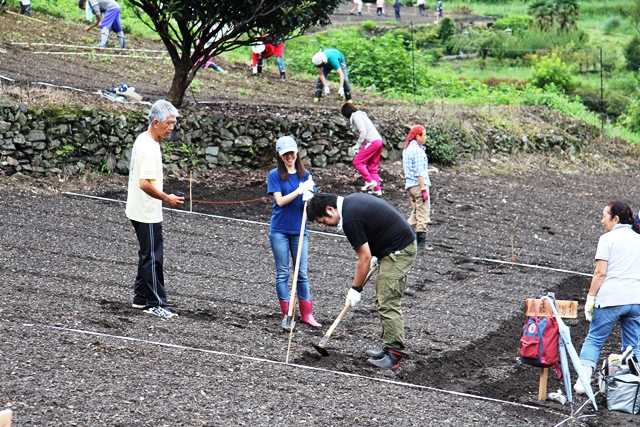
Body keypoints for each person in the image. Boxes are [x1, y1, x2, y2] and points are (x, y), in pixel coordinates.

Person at [307, 192, 417, 369]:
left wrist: (355, 289)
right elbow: (374, 228)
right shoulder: (351, 203)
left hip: (399, 250)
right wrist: (377, 252)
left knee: (387, 301)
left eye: (323, 221)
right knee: (383, 299)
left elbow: (363, 258)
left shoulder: (350, 219)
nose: (326, 225)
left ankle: (394, 354)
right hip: (392, 246)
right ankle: (388, 346)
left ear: (330, 209)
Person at [126, 100, 184, 319]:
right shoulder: (149, 147)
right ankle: (155, 303)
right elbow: (144, 183)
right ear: (156, 122)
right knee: (153, 257)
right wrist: (166, 198)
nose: (171, 128)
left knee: (147, 253)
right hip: (147, 212)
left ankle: (140, 298)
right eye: (169, 123)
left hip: (137, 208)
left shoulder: (144, 139)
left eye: (174, 123)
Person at [574, 200, 640, 394]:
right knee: (633, 345)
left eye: (604, 216)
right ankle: (632, 388)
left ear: (615, 219)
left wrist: (591, 297)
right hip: (636, 300)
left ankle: (583, 383)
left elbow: (600, 273)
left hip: (611, 298)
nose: (602, 220)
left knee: (594, 339)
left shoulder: (607, 239)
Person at [267, 136, 322, 329]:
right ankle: (288, 315)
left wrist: (310, 195)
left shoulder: (305, 174)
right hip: (280, 230)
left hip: (300, 230)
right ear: (280, 156)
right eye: (286, 154)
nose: (290, 157)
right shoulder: (274, 175)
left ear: (297, 153)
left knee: (302, 274)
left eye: (292, 153)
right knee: (283, 273)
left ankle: (307, 314)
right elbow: (280, 201)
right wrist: (299, 192)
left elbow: (314, 199)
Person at [341, 103, 383, 197]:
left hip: (372, 141)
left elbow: (363, 132)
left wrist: (357, 145)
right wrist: (360, 147)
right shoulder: (361, 115)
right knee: (372, 167)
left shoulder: (356, 116)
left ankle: (369, 181)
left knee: (357, 162)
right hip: (378, 141)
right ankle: (377, 190)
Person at [402, 125, 434, 251]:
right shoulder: (418, 152)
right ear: (418, 136)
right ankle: (421, 242)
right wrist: (424, 189)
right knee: (423, 214)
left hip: (410, 185)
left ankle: (403, 233)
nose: (425, 137)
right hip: (418, 185)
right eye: (424, 135)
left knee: (415, 212)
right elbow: (419, 172)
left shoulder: (408, 149)